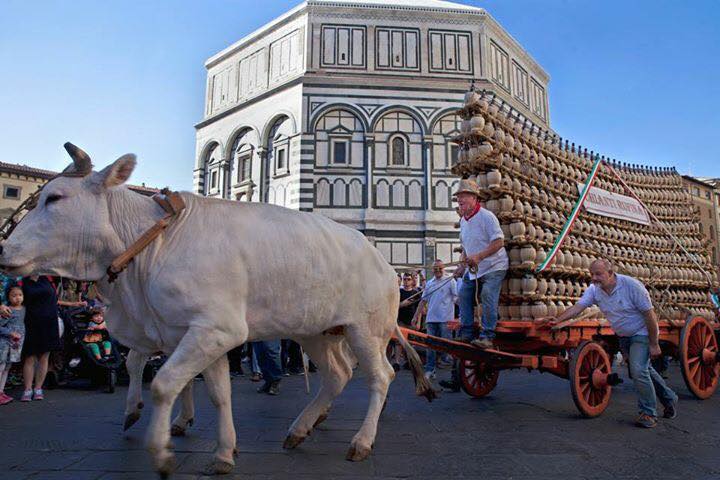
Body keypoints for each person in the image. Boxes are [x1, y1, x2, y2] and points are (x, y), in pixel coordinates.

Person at [544, 259, 678, 428]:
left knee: (638, 370)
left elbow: (649, 315)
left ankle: (648, 413)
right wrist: (557, 321)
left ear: (610, 273)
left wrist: (653, 343)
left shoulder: (632, 286)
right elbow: (577, 308)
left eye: (598, 274)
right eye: (592, 274)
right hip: (623, 336)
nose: (594, 278)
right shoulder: (595, 290)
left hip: (640, 334)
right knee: (643, 370)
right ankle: (669, 398)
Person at [454, 179, 508, 348]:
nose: (460, 200)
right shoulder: (463, 221)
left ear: (474, 198)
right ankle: (467, 332)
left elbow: (499, 242)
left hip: (494, 266)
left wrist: (479, 257)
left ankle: (487, 336)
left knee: (487, 294)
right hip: (475, 270)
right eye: (458, 197)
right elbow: (465, 247)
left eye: (464, 196)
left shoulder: (487, 217)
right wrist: (461, 265)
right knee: (463, 294)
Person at [412, 260, 457, 379]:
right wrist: (415, 316)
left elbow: (457, 299)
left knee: (446, 346)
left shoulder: (450, 280)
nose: (437, 271)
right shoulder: (430, 283)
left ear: (444, 269)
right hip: (431, 319)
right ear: (432, 270)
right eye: (435, 269)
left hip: (445, 319)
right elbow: (423, 301)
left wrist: (465, 314)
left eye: (439, 269)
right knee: (430, 346)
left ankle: (455, 371)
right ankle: (430, 369)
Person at [0, 284, 26, 405]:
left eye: (20, 295)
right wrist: (10, 333)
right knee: (1, 367)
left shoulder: (24, 309)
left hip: (15, 346)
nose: (18, 298)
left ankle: (1, 392)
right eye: (14, 295)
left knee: (7, 368)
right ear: (8, 297)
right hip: (5, 344)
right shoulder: (7, 311)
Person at [392, 273, 421, 370]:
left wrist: (418, 322)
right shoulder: (399, 292)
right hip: (401, 320)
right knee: (398, 342)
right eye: (404, 279)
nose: (406, 281)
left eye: (408, 279)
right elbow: (394, 306)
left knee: (411, 343)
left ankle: (409, 362)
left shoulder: (416, 293)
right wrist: (402, 304)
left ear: (412, 281)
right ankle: (396, 362)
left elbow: (420, 309)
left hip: (412, 321)